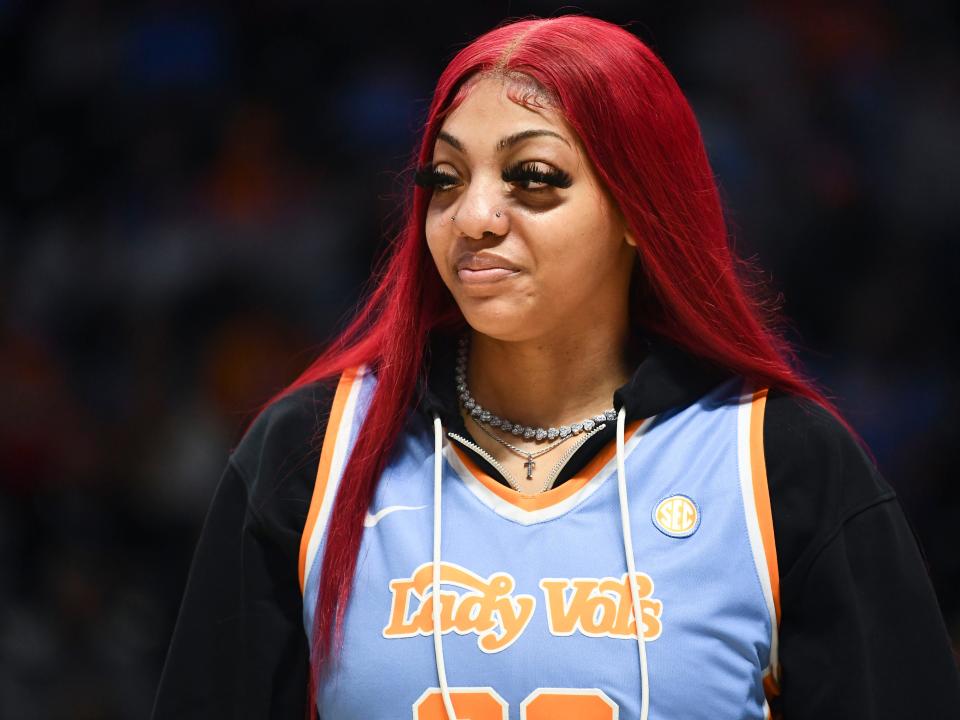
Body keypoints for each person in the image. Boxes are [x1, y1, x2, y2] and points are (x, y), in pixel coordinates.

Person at [152, 14, 960, 720]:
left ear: (641, 211)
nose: (473, 217)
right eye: (446, 178)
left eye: (532, 178)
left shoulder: (783, 463)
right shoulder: (310, 452)